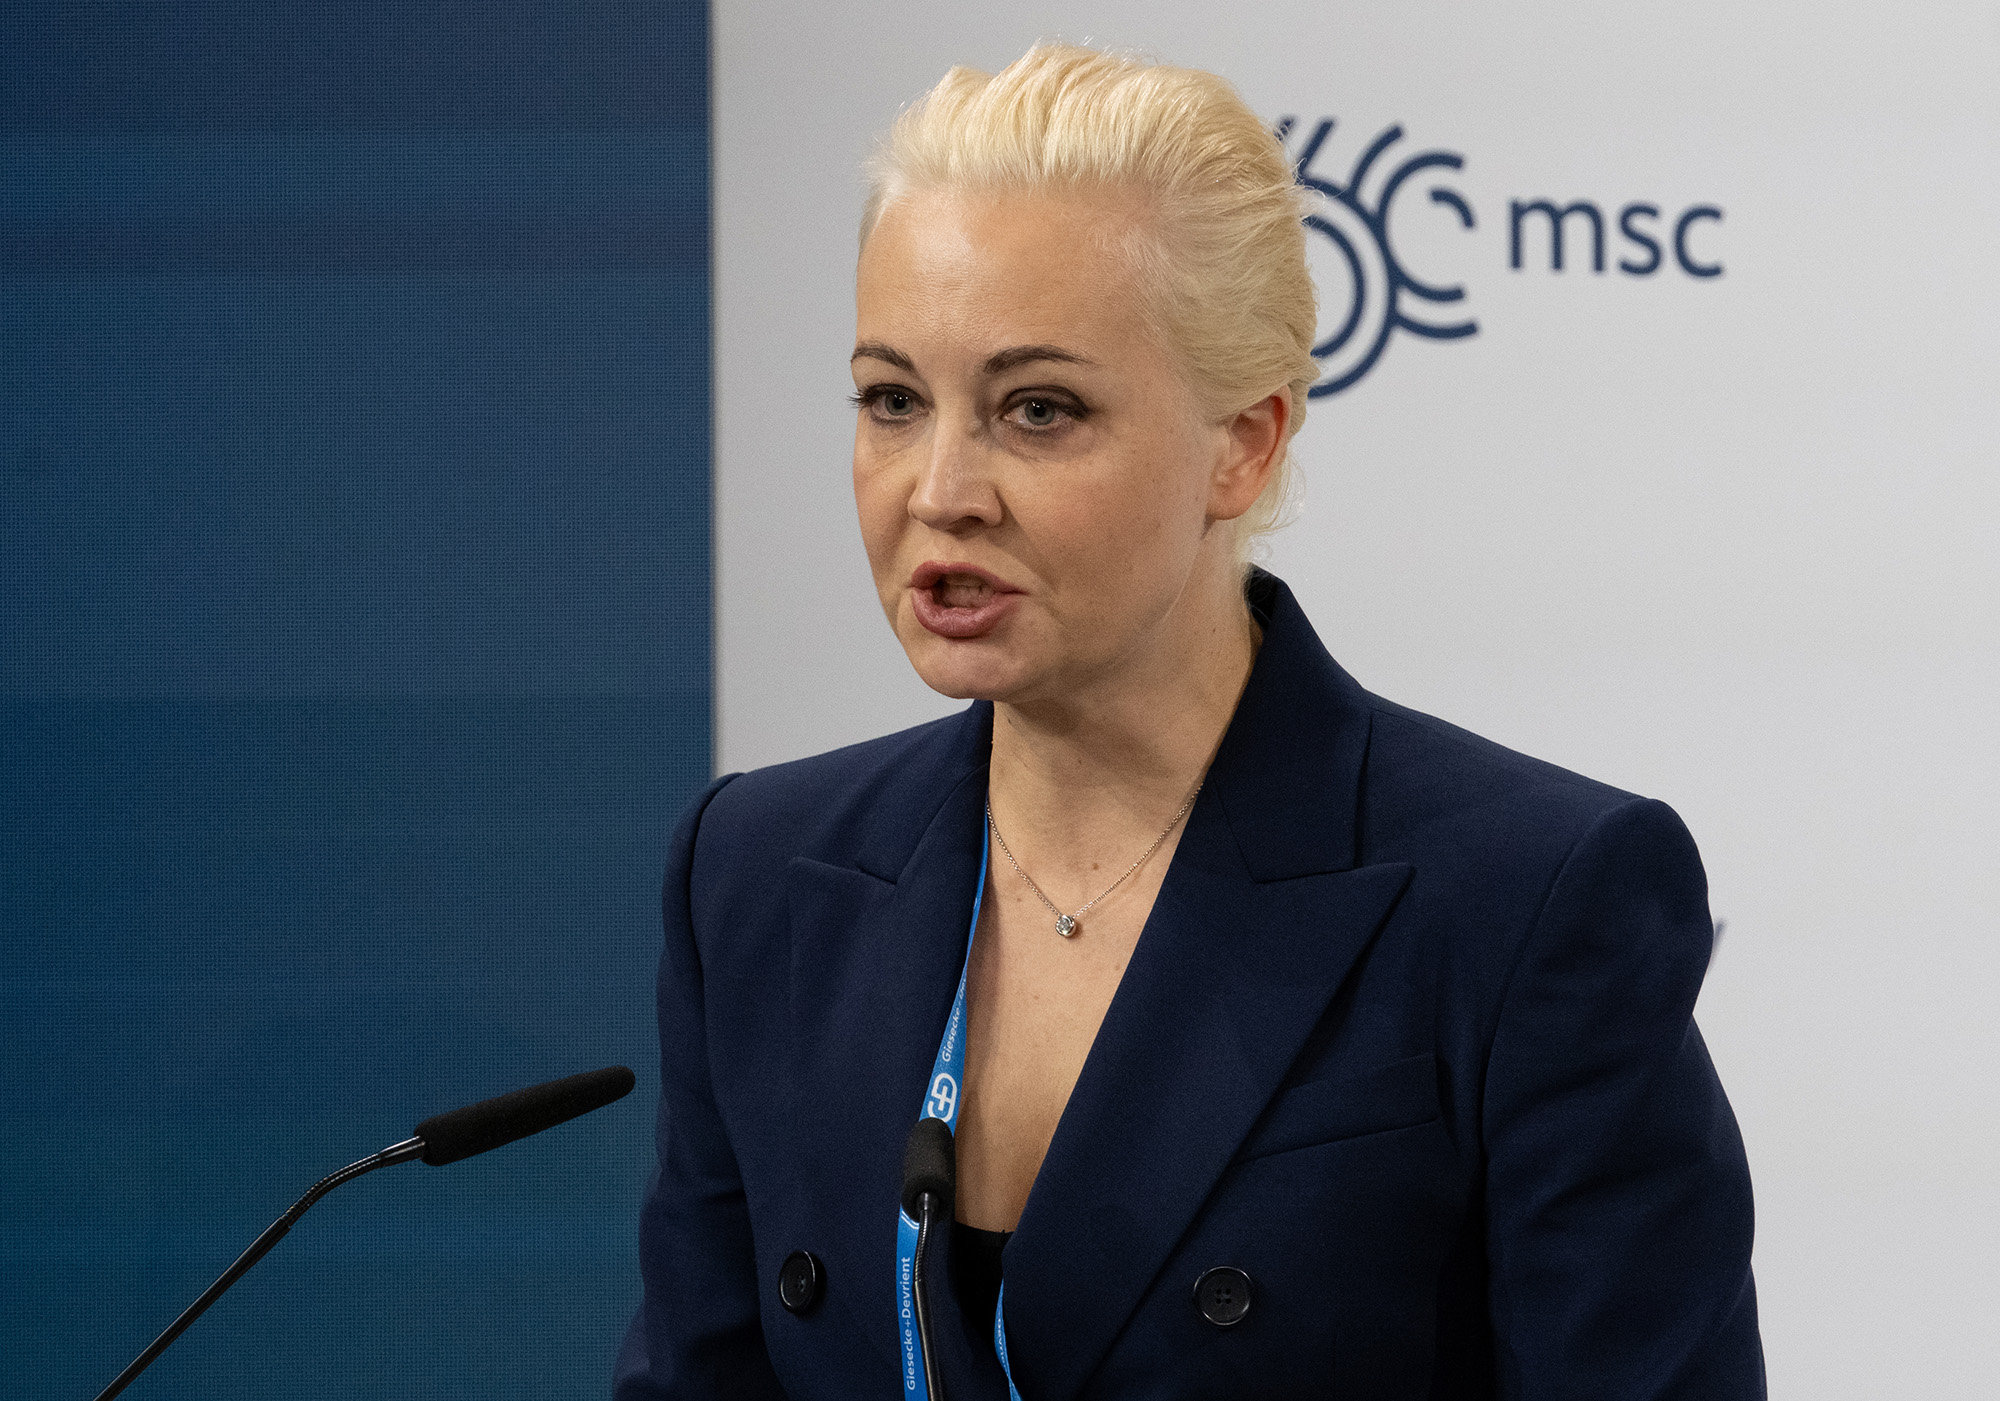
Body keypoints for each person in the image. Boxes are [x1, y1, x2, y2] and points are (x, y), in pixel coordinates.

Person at [614, 42, 1762, 1401]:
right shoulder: (753, 871)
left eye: (1038, 410)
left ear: (1247, 441)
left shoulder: (1527, 901)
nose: (941, 489)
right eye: (891, 400)